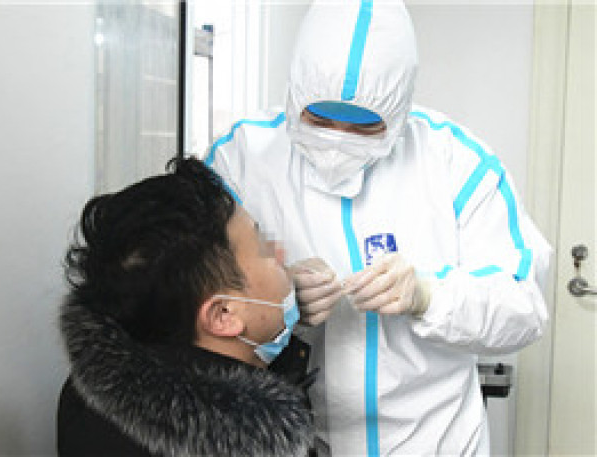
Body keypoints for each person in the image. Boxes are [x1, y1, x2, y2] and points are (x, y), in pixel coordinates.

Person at [205, 0, 551, 455]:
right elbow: (199, 306)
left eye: (363, 127)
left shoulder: (457, 163)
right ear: (294, 94)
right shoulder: (241, 158)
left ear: (398, 113)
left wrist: (429, 295)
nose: (336, 140)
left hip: (435, 442)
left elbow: (524, 306)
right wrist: (281, 303)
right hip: (290, 439)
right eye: (318, 120)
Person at [57, 157, 315, 456]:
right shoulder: (253, 446)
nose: (280, 253)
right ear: (223, 315)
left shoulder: (88, 400)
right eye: (263, 249)